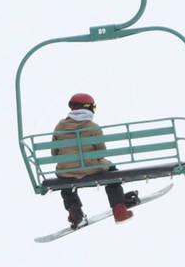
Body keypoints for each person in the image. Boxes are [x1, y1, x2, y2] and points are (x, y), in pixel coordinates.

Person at [51, 93, 138, 229]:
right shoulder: (93, 127)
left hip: (66, 171)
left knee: (65, 183)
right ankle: (119, 210)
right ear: (89, 108)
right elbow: (101, 153)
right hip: (91, 168)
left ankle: (76, 215)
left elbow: (54, 154)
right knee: (112, 172)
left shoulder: (60, 127)